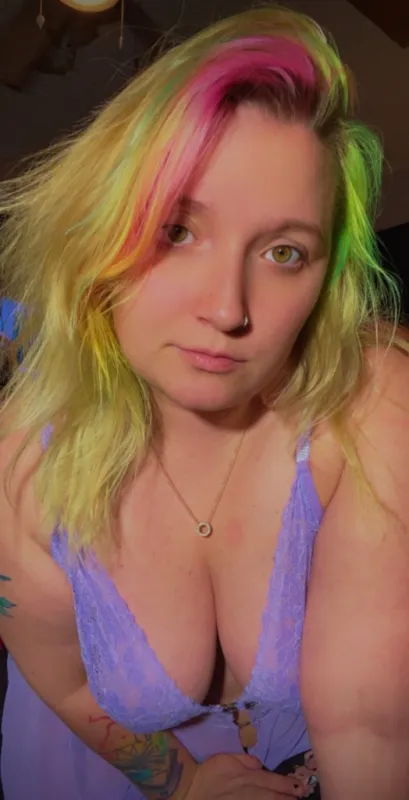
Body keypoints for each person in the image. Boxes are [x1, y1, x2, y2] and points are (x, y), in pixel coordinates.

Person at [0, 6, 408, 799]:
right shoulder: (20, 464)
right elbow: (69, 683)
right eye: (176, 231)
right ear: (99, 237)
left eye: (283, 252)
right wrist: (181, 784)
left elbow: (370, 721)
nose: (227, 309)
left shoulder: (368, 404)